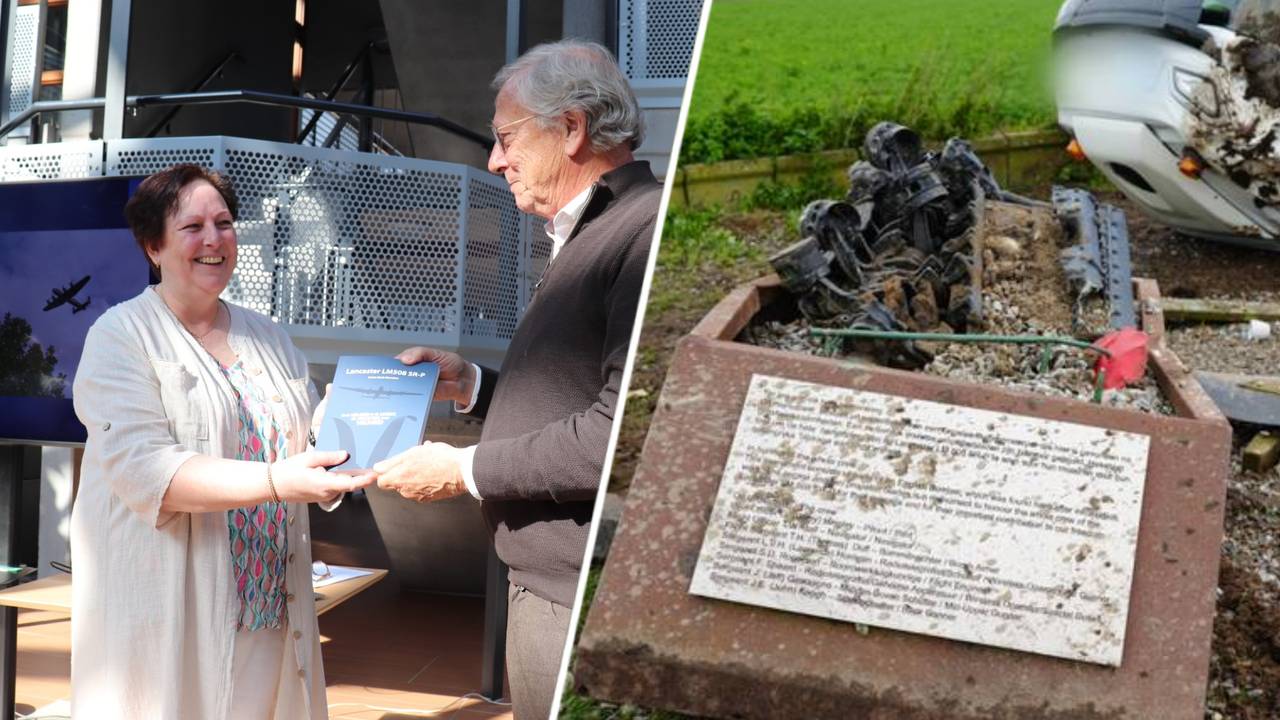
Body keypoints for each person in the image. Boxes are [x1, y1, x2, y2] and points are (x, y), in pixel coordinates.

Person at [372, 40, 660, 719]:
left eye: (506, 140)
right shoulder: (595, 229)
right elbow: (573, 394)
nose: (495, 161)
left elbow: (615, 438)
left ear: (572, 129)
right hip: (550, 584)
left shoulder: (639, 230)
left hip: (573, 595)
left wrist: (463, 470)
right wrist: (474, 385)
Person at [70, 164, 375, 719]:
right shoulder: (120, 336)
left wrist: (368, 409)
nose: (214, 239)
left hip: (272, 602)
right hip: (173, 611)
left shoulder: (269, 335)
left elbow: (304, 439)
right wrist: (279, 481)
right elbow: (148, 473)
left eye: (225, 223)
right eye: (192, 227)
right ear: (153, 246)